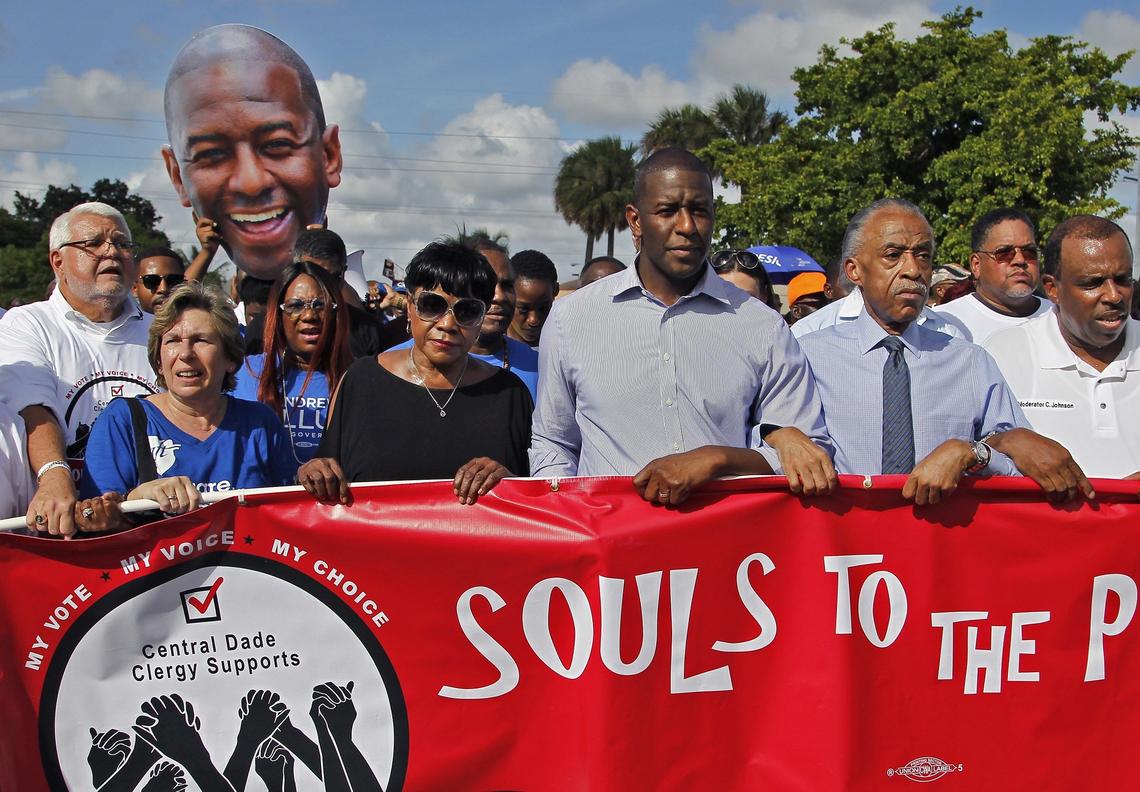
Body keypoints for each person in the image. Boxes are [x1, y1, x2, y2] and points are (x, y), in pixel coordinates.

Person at [531, 147, 836, 504]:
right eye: (667, 211)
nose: (687, 227)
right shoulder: (572, 319)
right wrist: (568, 519)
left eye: (699, 211)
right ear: (635, 220)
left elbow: (808, 453)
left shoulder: (762, 326)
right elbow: (554, 443)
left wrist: (717, 459)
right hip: (612, 550)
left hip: (727, 550)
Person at [798, 199, 1091, 504]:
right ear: (854, 271)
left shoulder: (969, 362)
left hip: (944, 543)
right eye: (893, 255)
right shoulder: (809, 357)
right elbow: (777, 457)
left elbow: (1019, 464)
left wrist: (971, 453)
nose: (913, 270)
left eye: (923, 255)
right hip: (846, 545)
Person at [298, 241, 533, 505]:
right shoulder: (361, 382)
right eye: (433, 305)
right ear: (409, 305)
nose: (447, 324)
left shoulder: (510, 395)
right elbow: (326, 476)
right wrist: (313, 472)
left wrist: (510, 482)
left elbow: (532, 501)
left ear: (481, 317)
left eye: (467, 311)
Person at [0, 202, 158, 537]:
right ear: (57, 261)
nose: (111, 252)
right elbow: (33, 408)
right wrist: (55, 477)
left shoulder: (164, 331)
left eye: (122, 244)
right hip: (65, 533)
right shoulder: (27, 324)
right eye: (94, 244)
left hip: (156, 528)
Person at [80, 282, 297, 526]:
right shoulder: (123, 420)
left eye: (201, 340)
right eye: (173, 341)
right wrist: (139, 498)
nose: (185, 353)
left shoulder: (260, 423)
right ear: (159, 361)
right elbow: (94, 522)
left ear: (230, 358)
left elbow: (287, 519)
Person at [162, 24, 342, 281]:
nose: (251, 183)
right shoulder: (205, 320)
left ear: (330, 156)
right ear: (178, 177)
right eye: (212, 154)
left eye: (277, 145)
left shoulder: (358, 320)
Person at [986, 215, 1139, 478]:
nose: (1114, 296)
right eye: (1092, 283)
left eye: (1123, 279)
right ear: (1052, 289)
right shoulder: (1004, 354)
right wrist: (1007, 441)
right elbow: (966, 451)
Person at [388, 238, 539, 400]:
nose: (498, 296)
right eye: (486, 286)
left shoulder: (538, 367)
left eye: (508, 285)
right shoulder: (385, 371)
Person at [234, 263, 351, 464]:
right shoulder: (245, 372)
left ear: (335, 313)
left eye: (320, 305)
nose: (309, 316)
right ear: (278, 316)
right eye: (295, 306)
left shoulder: (359, 378)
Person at [933, 208, 1052, 344]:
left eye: (1029, 252)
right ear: (976, 265)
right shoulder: (943, 324)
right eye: (1004, 253)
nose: (1020, 260)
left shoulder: (1063, 319)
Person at [508, 249, 559, 348]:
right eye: (523, 309)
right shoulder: (482, 348)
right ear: (508, 292)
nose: (533, 320)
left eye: (543, 308)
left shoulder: (565, 349)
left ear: (555, 290)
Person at [710, 249, 779, 310]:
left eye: (746, 298)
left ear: (764, 296)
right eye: (724, 297)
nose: (736, 307)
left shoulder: (776, 323)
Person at [132, 247, 187, 315]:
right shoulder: (124, 325)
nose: (163, 289)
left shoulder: (199, 323)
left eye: (173, 280)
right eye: (152, 281)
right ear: (134, 288)